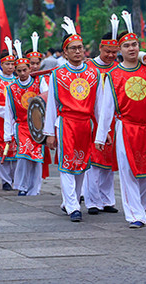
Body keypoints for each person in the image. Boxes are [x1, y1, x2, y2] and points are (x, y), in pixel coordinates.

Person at [95, 12, 146, 228]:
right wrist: (102, 135)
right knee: (128, 174)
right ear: (120, 49)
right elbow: (107, 108)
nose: (131, 48)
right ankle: (135, 215)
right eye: (126, 45)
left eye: (134, 44)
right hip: (126, 127)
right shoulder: (113, 75)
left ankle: (142, 206)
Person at [43, 17, 101, 222]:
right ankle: (73, 206)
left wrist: (103, 132)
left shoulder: (94, 73)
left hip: (86, 124)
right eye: (73, 48)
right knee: (67, 165)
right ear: (65, 52)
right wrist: (49, 132)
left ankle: (71, 201)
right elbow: (51, 106)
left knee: (82, 165)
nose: (78, 51)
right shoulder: (57, 74)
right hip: (66, 123)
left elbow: (99, 105)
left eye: (81, 47)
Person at [84, 23, 121, 216]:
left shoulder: (118, 69)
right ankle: (92, 201)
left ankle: (107, 200)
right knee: (94, 160)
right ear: (100, 48)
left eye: (115, 52)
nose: (111, 56)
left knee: (109, 162)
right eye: (108, 51)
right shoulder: (89, 67)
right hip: (92, 119)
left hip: (114, 121)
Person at [4, 38, 44, 196]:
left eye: (24, 70)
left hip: (38, 127)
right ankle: (21, 186)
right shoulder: (12, 88)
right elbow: (9, 112)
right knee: (23, 157)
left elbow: (46, 104)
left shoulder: (39, 83)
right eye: (18, 71)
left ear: (29, 69)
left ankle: (35, 188)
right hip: (21, 127)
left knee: (37, 159)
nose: (22, 73)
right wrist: (8, 133)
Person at [0, 39, 18, 191]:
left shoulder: (18, 82)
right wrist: (6, 112)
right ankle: (6, 180)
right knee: (3, 150)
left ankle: (16, 178)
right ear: (1, 65)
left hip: (17, 121)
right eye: (7, 64)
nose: (10, 67)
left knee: (17, 150)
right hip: (0, 122)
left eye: (12, 64)